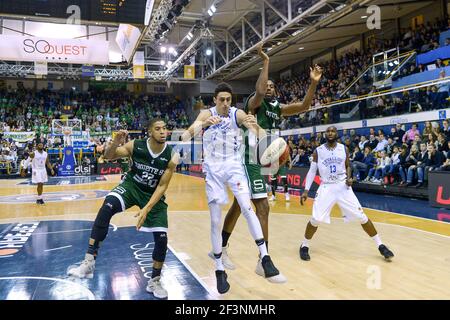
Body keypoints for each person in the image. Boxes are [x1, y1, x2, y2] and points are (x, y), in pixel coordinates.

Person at [218, 43, 323, 275]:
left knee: (239, 205)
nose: (269, 88)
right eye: (267, 85)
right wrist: (266, 62)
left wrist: (314, 83)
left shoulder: (279, 108)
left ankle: (221, 247)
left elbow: (305, 106)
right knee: (263, 207)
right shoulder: (253, 105)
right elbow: (260, 90)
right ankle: (263, 259)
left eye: (273, 86)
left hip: (264, 160)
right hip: (248, 159)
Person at [181, 82, 283, 294]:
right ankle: (219, 269)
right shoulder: (205, 114)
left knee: (247, 207)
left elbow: (258, 131)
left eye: (228, 100)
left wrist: (265, 136)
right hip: (213, 170)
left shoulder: (237, 113)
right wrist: (203, 124)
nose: (226, 103)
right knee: (216, 219)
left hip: (233, 166)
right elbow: (185, 136)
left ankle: (265, 257)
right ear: (215, 100)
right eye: (222, 100)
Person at [67, 119, 179, 299]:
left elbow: (162, 187)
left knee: (162, 239)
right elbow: (110, 156)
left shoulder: (172, 156)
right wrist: (114, 143)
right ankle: (89, 262)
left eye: (164, 128)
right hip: (131, 187)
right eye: (157, 129)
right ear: (150, 131)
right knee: (106, 208)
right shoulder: (136, 145)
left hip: (152, 195)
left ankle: (155, 280)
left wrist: (146, 209)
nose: (162, 131)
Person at [299, 126, 394, 261]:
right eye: (328, 131)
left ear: (336, 134)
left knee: (362, 217)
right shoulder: (318, 151)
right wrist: (306, 190)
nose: (330, 133)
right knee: (315, 219)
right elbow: (312, 171)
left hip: (343, 186)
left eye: (333, 131)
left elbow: (348, 165)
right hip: (326, 187)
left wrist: (349, 177)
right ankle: (304, 245)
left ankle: (381, 245)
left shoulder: (343, 148)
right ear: (325, 134)